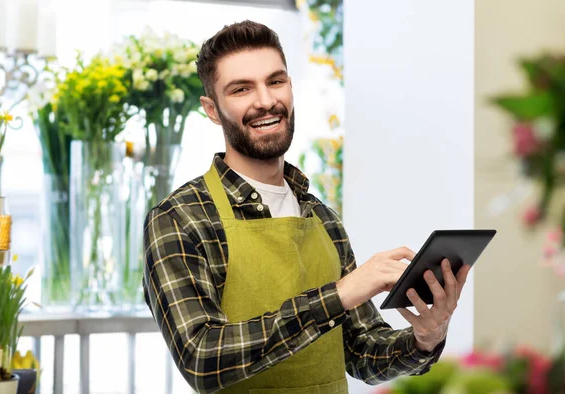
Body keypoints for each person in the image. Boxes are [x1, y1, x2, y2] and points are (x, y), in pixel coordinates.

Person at [143, 20, 470, 394]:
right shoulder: (180, 218)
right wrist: (341, 294)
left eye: (276, 81)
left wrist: (425, 338)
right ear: (212, 109)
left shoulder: (322, 219)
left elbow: (362, 352)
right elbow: (202, 357)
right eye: (241, 89)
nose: (265, 100)